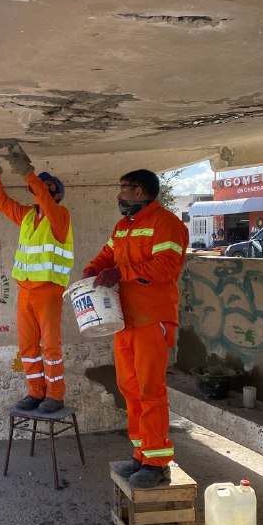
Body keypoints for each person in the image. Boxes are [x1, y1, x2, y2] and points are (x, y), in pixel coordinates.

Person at [82, 169, 188, 488]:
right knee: (130, 388)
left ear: (140, 192)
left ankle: (157, 464)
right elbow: (107, 256)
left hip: (151, 320)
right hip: (124, 321)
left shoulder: (166, 224)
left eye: (125, 189)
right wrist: (93, 270)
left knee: (150, 391)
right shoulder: (123, 227)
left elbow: (166, 266)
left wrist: (121, 274)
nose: (120, 195)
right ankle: (141, 454)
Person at [0, 143, 73, 413]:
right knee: (28, 346)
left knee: (51, 347)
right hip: (26, 291)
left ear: (53, 192)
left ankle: (55, 395)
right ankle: (36, 393)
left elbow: (45, 199)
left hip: (47, 291)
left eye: (42, 188)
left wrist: (29, 173)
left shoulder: (60, 216)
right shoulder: (28, 216)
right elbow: (3, 203)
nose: (34, 191)